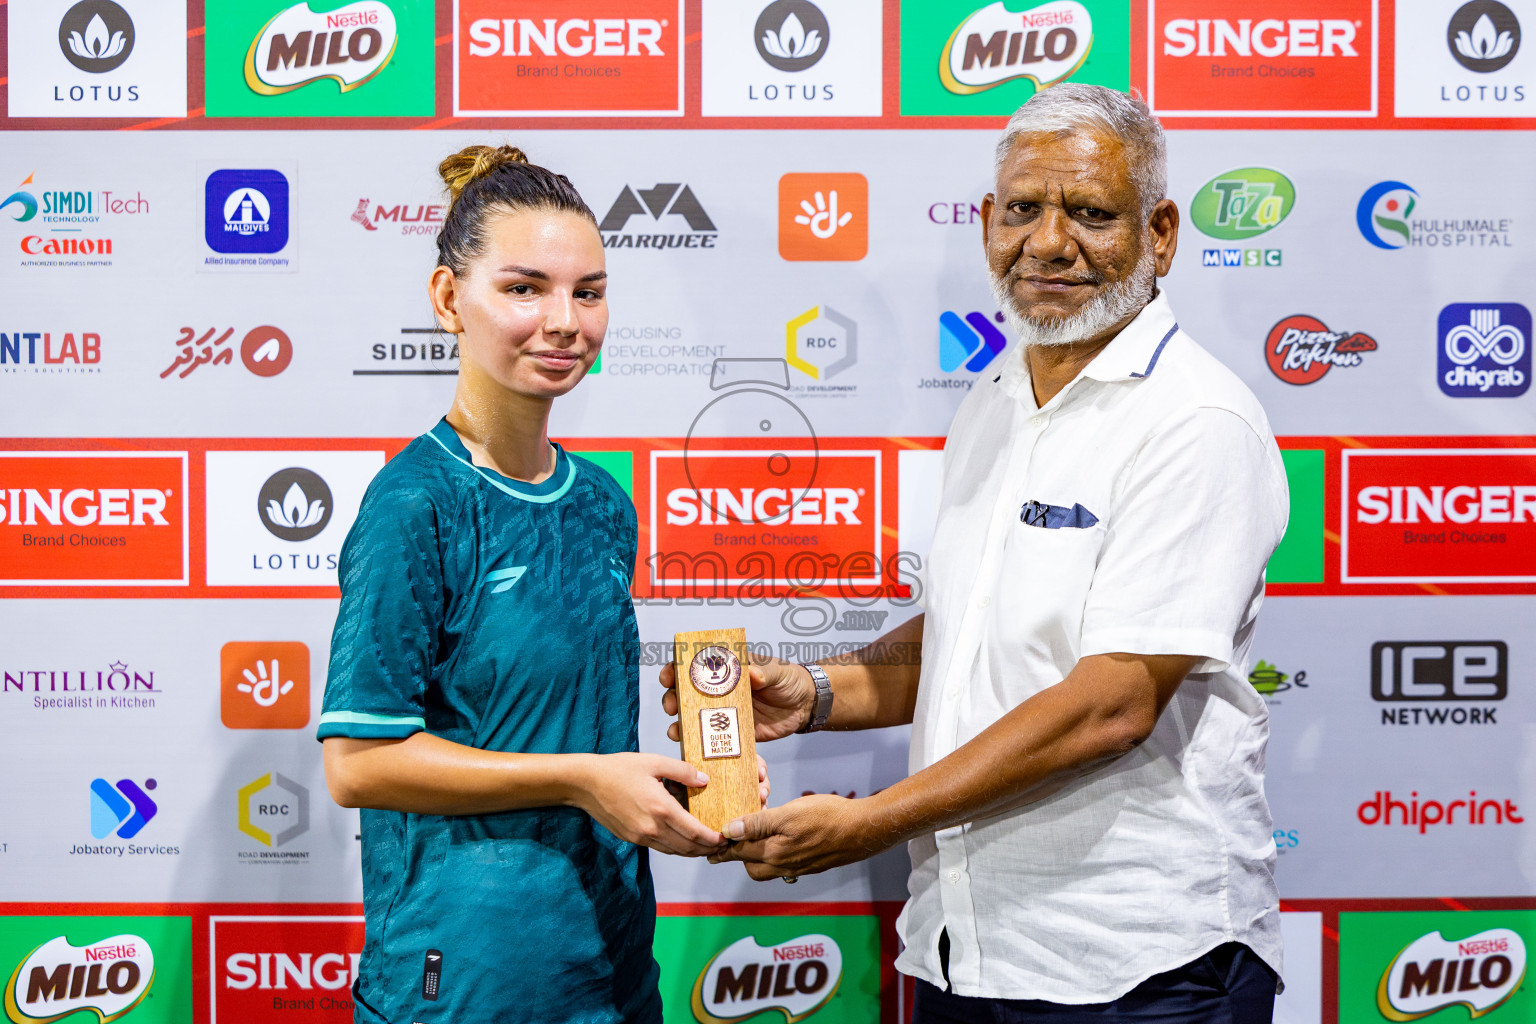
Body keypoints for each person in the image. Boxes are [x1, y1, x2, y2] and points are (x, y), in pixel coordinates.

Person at [661, 84, 1291, 1023]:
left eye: (1089, 212)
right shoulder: (995, 398)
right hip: (965, 950)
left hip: (1136, 968)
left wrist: (869, 824)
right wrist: (823, 692)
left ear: (1160, 233)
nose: (1048, 243)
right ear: (988, 223)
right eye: (1024, 210)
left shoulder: (1194, 421)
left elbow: (1110, 704)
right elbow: (973, 636)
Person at [319, 144, 746, 1024]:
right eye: (524, 289)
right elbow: (359, 764)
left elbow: (576, 730)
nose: (565, 321)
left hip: (611, 958)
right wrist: (584, 778)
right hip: (465, 971)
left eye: (587, 292)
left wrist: (675, 779)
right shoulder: (416, 503)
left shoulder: (600, 500)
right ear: (449, 300)